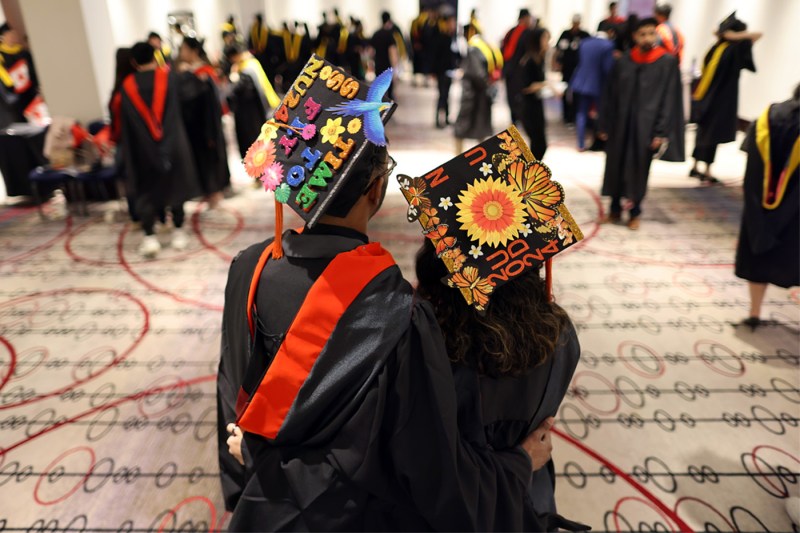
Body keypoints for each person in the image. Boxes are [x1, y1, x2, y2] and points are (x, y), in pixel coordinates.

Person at [217, 58, 555, 530]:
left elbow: (232, 395)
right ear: (376, 189)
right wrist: (519, 463)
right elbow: (431, 472)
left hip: (262, 509)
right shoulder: (398, 313)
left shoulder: (247, 269)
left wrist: (248, 470)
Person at [415, 242, 582, 530]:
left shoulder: (432, 342)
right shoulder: (560, 334)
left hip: (460, 503)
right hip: (530, 494)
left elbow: (430, 459)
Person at [598, 17, 685, 230]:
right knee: (616, 164)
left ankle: (635, 211)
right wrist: (604, 124)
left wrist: (660, 131)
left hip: (646, 127)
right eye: (642, 34)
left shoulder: (666, 62)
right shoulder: (624, 61)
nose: (647, 38)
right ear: (634, 37)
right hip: (620, 124)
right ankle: (615, 209)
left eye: (651, 33)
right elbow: (610, 95)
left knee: (639, 168)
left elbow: (669, 99)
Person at [119, 42, 199, 257]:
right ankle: (179, 233)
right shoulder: (171, 78)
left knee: (146, 190)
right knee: (175, 186)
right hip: (172, 144)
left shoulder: (127, 86)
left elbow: (124, 125)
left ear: (134, 62)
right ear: (155, 57)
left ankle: (150, 237)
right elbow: (192, 97)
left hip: (142, 149)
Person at [734, 84, 799, 330]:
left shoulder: (768, 116)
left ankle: (754, 312)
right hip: (796, 211)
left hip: (759, 203)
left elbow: (749, 152)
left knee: (758, 257)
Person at [690, 12, 761, 183]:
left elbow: (756, 35)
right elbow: (756, 35)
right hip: (720, 99)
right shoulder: (730, 48)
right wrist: (734, 35)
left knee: (705, 132)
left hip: (709, 96)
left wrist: (729, 34)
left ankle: (698, 167)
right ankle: (703, 170)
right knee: (709, 134)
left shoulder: (719, 47)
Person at [177, 37, 230, 208]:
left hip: (207, 123)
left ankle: (215, 191)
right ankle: (208, 190)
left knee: (210, 157)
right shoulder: (191, 72)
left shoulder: (204, 72)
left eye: (184, 49)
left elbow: (212, 104)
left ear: (193, 51)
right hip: (195, 125)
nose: (181, 53)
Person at [224, 43, 280, 159]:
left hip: (254, 114)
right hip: (264, 106)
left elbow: (235, 91)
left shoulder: (244, 68)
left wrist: (233, 77)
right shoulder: (252, 62)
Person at [454, 31, 503, 153]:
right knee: (476, 126)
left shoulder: (474, 48)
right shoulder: (485, 46)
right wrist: (488, 85)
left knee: (467, 125)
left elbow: (477, 72)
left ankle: (461, 156)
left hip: (473, 93)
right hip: (478, 92)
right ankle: (475, 157)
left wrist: (486, 84)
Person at [570, 27, 616, 151]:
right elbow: (607, 68)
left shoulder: (584, 42)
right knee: (600, 113)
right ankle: (599, 141)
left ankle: (580, 143)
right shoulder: (608, 45)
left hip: (581, 82)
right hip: (598, 84)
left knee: (581, 112)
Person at [518, 27, 552, 160]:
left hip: (537, 104)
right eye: (545, 39)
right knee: (538, 144)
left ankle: (530, 171)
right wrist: (545, 84)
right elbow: (525, 87)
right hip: (528, 107)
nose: (548, 42)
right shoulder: (529, 60)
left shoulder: (540, 59)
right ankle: (527, 171)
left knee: (539, 144)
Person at [0, 22, 41, 126]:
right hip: (15, 94)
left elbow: (33, 70)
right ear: (2, 38)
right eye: (9, 35)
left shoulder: (23, 52)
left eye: (14, 34)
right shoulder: (1, 55)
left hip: (31, 90)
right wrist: (11, 86)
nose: (13, 37)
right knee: (22, 119)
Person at [553, 15, 590, 124]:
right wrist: (555, 63)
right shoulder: (565, 34)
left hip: (579, 69)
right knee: (565, 90)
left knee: (576, 92)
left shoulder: (584, 35)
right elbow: (558, 49)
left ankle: (573, 115)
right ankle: (565, 115)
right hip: (566, 69)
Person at [502, 9, 535, 124]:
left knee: (511, 96)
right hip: (519, 72)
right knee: (518, 96)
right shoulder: (528, 33)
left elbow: (503, 49)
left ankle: (514, 119)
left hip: (508, 69)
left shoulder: (510, 31)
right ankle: (519, 119)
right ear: (525, 18)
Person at [432, 6, 459, 129]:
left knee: (446, 94)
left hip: (449, 71)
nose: (453, 24)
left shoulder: (451, 37)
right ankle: (438, 119)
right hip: (441, 71)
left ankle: (447, 118)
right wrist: (433, 71)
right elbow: (435, 55)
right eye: (452, 22)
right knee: (442, 95)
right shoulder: (440, 36)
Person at [370, 12, 399, 100]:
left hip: (378, 65)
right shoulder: (390, 35)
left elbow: (371, 52)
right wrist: (395, 67)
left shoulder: (376, 34)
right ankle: (388, 109)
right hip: (387, 66)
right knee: (389, 90)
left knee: (379, 88)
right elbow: (392, 52)